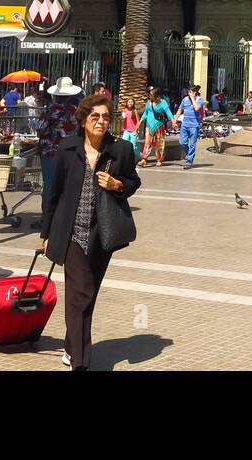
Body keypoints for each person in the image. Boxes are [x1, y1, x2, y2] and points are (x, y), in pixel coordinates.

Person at [40, 92, 140, 371]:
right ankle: (81, 363)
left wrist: (117, 185)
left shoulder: (120, 150)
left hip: (101, 235)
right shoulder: (68, 149)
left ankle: (72, 347)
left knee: (86, 295)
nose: (101, 122)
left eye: (106, 117)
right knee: (81, 293)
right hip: (70, 233)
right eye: (95, 116)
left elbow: (134, 181)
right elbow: (53, 193)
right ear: (83, 119)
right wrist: (46, 234)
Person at [37, 77, 82, 229]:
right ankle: (64, 219)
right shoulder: (74, 111)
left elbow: (40, 130)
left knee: (49, 187)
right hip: (68, 153)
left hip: (48, 153)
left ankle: (46, 220)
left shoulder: (47, 110)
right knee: (66, 186)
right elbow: (78, 131)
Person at [139, 86, 171, 168]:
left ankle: (159, 159)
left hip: (159, 125)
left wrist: (173, 121)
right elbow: (146, 113)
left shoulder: (162, 102)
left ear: (157, 95)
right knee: (147, 142)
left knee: (159, 143)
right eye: (149, 94)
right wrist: (140, 121)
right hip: (149, 125)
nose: (149, 96)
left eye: (151, 94)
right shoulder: (148, 102)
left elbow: (168, 112)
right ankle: (144, 159)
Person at [174, 85, 204, 169]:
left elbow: (197, 108)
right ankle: (189, 155)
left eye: (190, 92)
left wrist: (193, 98)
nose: (188, 93)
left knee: (192, 145)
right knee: (182, 142)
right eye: (188, 92)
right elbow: (180, 110)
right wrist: (174, 120)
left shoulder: (199, 100)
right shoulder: (185, 100)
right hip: (185, 125)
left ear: (194, 93)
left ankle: (189, 161)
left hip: (194, 126)